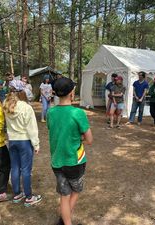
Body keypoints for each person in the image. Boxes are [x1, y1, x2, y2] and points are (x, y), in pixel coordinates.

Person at [47, 77, 93, 225]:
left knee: (64, 195)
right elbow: (90, 140)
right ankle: (65, 219)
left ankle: (65, 221)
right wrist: (79, 138)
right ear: (72, 92)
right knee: (76, 190)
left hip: (57, 161)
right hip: (75, 161)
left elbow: (56, 131)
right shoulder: (78, 113)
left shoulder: (50, 112)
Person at [3, 92, 42, 207]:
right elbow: (32, 128)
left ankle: (17, 194)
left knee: (15, 167)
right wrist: (36, 144)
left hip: (12, 141)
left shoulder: (7, 107)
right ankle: (29, 197)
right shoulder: (26, 107)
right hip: (24, 141)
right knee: (26, 170)